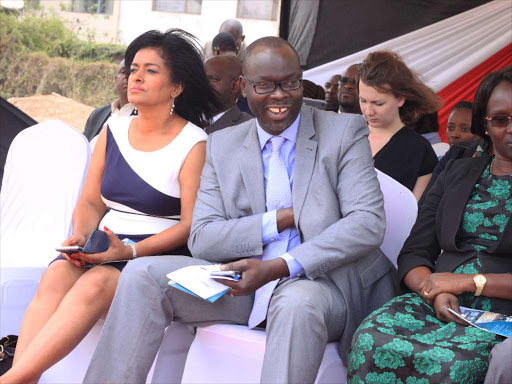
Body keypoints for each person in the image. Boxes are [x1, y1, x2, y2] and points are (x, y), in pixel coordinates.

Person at [83, 36, 397, 384]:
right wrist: (276, 221)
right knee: (142, 276)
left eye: (289, 83)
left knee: (295, 304)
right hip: (243, 285)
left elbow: (367, 223)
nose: (278, 95)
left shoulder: (343, 132)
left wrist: (280, 266)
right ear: (244, 87)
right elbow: (202, 237)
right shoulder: (223, 143)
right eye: (264, 85)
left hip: (322, 283)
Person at [0, 29, 220, 383]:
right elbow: (90, 200)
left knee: (96, 283)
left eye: (151, 70)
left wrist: (130, 252)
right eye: (134, 68)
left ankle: (11, 379)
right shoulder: (113, 129)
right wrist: (81, 236)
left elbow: (190, 225)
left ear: (176, 87)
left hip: (155, 252)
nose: (136, 76)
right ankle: (25, 378)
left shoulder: (195, 142)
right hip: (103, 242)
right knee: (56, 273)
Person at [347, 67, 512, 384]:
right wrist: (434, 292)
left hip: (501, 313)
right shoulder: (457, 168)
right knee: (369, 337)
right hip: (435, 302)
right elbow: (414, 252)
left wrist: (466, 283)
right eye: (501, 119)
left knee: (456, 365)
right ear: (486, 125)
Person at [358, 51, 439, 201]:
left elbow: (415, 212)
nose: (368, 111)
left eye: (378, 103)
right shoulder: (347, 135)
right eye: (363, 100)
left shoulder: (419, 149)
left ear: (400, 99)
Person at [83, 59, 135, 141]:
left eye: (133, 71)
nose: (128, 76)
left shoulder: (147, 119)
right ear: (115, 80)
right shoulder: (97, 115)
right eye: (124, 71)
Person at [204, 56, 252, 134]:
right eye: (201, 79)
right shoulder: (187, 116)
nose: (202, 85)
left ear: (235, 85)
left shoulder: (247, 129)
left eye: (213, 79)